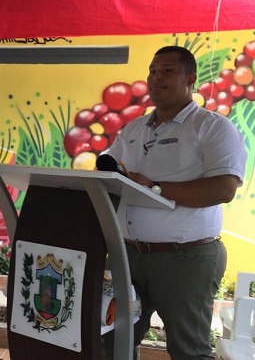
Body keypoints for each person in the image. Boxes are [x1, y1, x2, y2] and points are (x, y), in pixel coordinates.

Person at [101, 45, 247, 360]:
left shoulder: (212, 127)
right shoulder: (133, 128)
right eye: (153, 71)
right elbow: (107, 172)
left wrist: (154, 187)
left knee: (188, 351)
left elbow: (223, 189)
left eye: (167, 70)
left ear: (189, 78)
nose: (156, 78)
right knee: (114, 343)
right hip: (128, 255)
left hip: (185, 258)